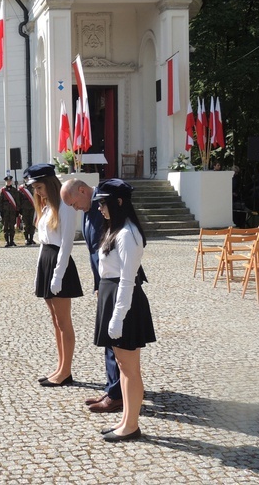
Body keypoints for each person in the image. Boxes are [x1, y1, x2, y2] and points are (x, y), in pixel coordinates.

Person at [92, 179, 156, 442]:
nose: (99, 209)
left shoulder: (128, 234)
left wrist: (117, 317)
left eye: (103, 203)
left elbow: (128, 280)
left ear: (118, 203)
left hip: (124, 303)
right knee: (123, 366)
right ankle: (126, 420)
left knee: (129, 368)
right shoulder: (117, 230)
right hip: (115, 299)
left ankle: (131, 425)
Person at [60, 177, 123, 413]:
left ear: (83, 191)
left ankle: (118, 393)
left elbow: (109, 248)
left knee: (115, 340)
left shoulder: (103, 206)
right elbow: (93, 253)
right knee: (109, 339)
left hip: (115, 280)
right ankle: (114, 387)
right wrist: (97, 284)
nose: (74, 209)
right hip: (105, 282)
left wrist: (106, 282)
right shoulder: (89, 207)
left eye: (74, 203)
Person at [27, 163, 83, 387]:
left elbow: (67, 243)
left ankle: (66, 371)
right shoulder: (48, 206)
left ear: (50, 184)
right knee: (55, 321)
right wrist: (38, 271)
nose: (37, 192)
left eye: (40, 187)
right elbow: (43, 242)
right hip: (47, 261)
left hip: (60, 263)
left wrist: (58, 276)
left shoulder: (65, 206)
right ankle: (60, 367)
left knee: (64, 321)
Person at [0, 174, 20, 247]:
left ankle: (12, 240)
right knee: (6, 227)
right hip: (5, 211)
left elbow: (17, 201)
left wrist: (17, 210)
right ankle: (7, 241)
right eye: (7, 181)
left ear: (12, 181)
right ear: (5, 182)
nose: (9, 182)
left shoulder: (14, 190)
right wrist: (1, 211)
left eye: (10, 181)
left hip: (12, 211)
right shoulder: (2, 190)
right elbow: (0, 202)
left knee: (12, 226)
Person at [18, 172, 36, 245]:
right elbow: (18, 200)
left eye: (28, 178)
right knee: (26, 224)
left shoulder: (34, 187)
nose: (27, 179)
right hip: (24, 208)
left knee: (32, 224)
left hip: (32, 208)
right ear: (24, 179)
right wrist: (20, 210)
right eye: (26, 178)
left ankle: (31, 238)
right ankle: (26, 239)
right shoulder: (21, 189)